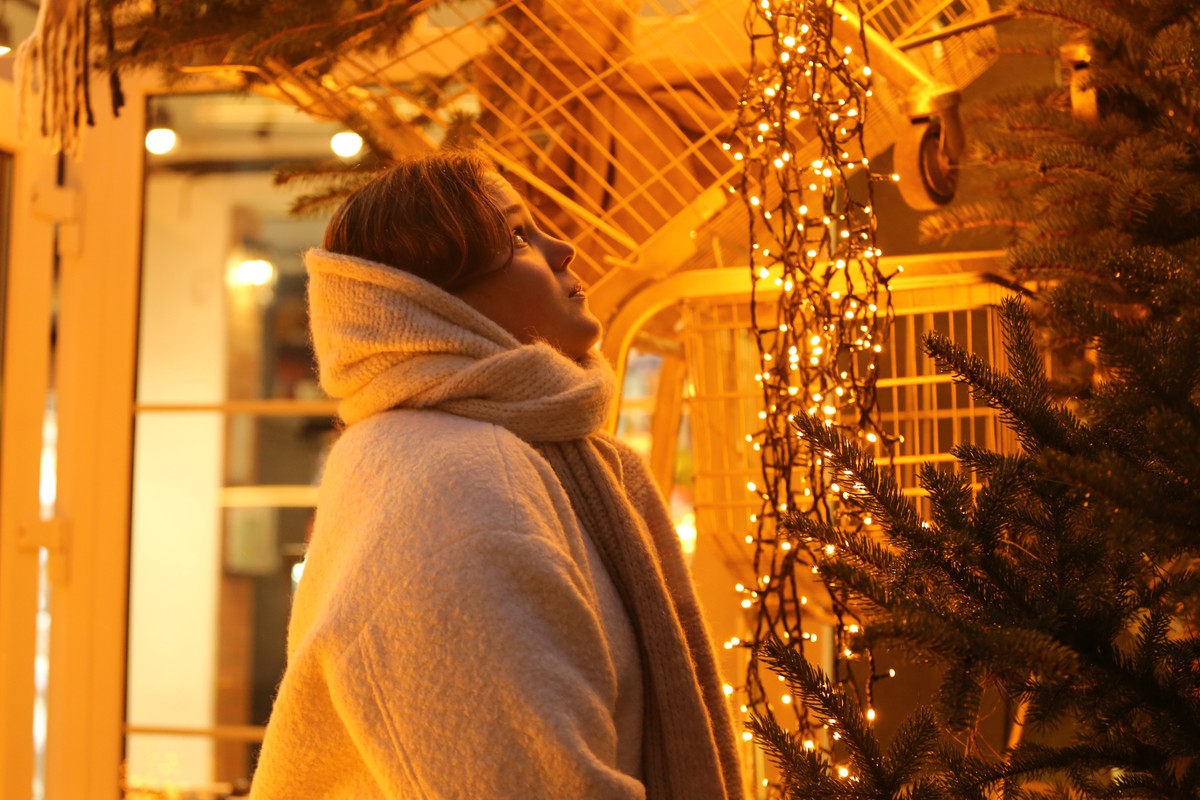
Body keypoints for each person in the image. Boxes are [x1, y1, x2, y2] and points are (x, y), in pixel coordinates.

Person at [249, 150, 743, 799]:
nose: (563, 248)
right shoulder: (460, 482)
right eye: (517, 237)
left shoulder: (435, 452)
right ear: (432, 302)